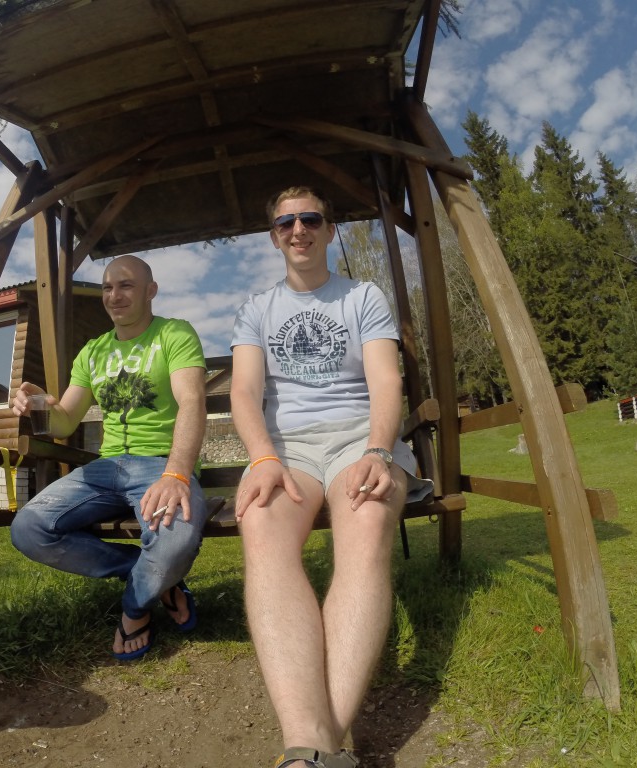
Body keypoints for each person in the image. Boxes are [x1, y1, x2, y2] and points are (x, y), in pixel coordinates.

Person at [230, 187, 434, 768]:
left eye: (310, 219)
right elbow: (244, 391)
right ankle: (314, 745)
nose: (298, 229)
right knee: (261, 524)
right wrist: (263, 457)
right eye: (286, 223)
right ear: (274, 237)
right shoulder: (256, 309)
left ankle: (316, 748)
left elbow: (386, 381)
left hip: (358, 439)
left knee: (367, 523)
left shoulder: (362, 297)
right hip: (286, 449)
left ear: (329, 229)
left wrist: (378, 449)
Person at [10, 254, 207, 661]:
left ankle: (135, 609)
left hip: (160, 465)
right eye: (107, 287)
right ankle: (152, 577)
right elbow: (65, 421)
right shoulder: (93, 351)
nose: (114, 295)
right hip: (106, 469)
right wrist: (40, 403)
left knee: (176, 541)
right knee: (28, 528)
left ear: (150, 291)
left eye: (126, 285)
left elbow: (192, 401)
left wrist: (176, 474)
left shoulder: (174, 333)